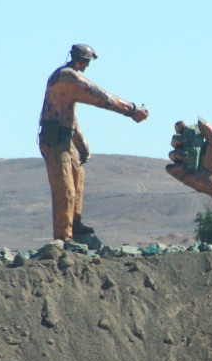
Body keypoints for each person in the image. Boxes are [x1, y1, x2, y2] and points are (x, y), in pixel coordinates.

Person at [38, 44, 149, 242]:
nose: (87, 66)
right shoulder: (68, 77)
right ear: (79, 59)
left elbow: (69, 116)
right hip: (54, 141)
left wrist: (80, 144)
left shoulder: (68, 78)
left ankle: (75, 224)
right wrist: (132, 110)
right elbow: (102, 97)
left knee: (77, 178)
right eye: (86, 61)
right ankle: (63, 238)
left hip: (64, 140)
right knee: (65, 190)